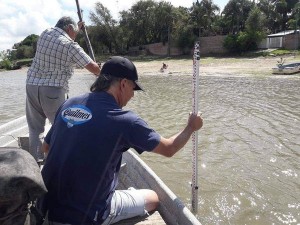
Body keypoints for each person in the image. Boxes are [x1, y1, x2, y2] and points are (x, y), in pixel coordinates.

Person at [40, 56, 203, 225]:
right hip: (86, 216)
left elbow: (46, 147)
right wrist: (191, 127)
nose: (132, 95)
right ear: (124, 83)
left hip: (45, 207)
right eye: (133, 88)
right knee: (153, 198)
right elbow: (170, 148)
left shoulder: (69, 104)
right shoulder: (125, 120)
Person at [26, 16, 101, 160]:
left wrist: (78, 28)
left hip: (31, 86)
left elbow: (65, 34)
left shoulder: (45, 33)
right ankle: (62, 161)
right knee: (63, 128)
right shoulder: (70, 46)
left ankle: (35, 164)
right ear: (69, 29)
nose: (75, 35)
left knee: (35, 130)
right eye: (74, 32)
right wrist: (101, 72)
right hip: (52, 91)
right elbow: (93, 67)